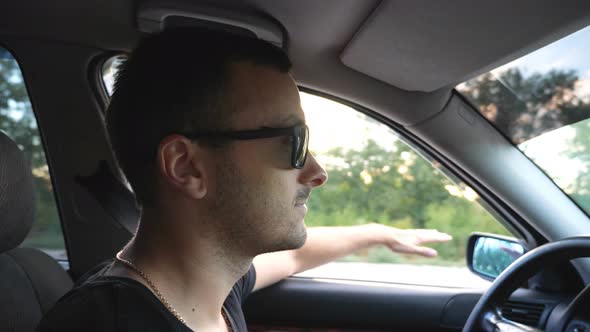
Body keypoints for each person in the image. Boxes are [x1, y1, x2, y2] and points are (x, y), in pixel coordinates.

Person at [37, 28, 451, 332]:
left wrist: (376, 233)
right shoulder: (100, 324)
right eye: (293, 142)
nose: (317, 172)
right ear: (186, 167)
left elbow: (292, 257)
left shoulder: (209, 284)